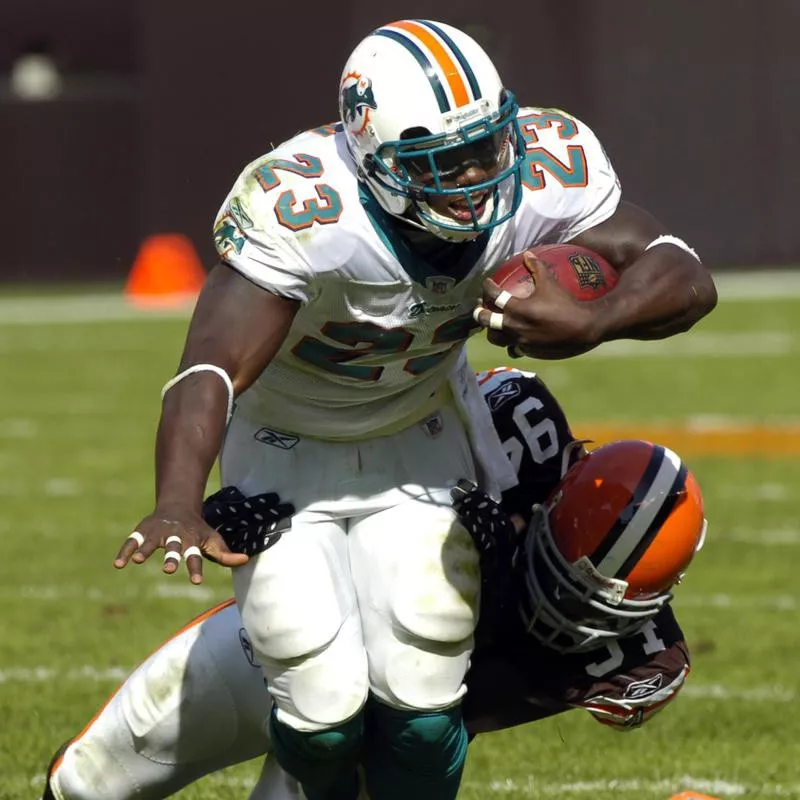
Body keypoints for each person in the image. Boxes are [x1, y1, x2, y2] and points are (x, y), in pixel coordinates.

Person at [111, 18, 716, 800]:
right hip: (290, 443)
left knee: (426, 701)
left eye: (486, 148)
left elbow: (682, 271)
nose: (475, 177)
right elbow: (210, 366)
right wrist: (175, 500)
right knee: (320, 707)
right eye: (443, 162)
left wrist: (597, 318)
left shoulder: (538, 167)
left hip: (421, 429)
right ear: (374, 161)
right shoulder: (308, 206)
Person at [50, 367, 707, 800]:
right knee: (86, 782)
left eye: (587, 604)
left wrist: (497, 574)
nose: (563, 613)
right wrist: (268, 500)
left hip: (395, 732)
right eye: (559, 577)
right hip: (317, 625)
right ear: (554, 495)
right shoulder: (513, 431)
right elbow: (366, 449)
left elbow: (446, 722)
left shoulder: (644, 660)